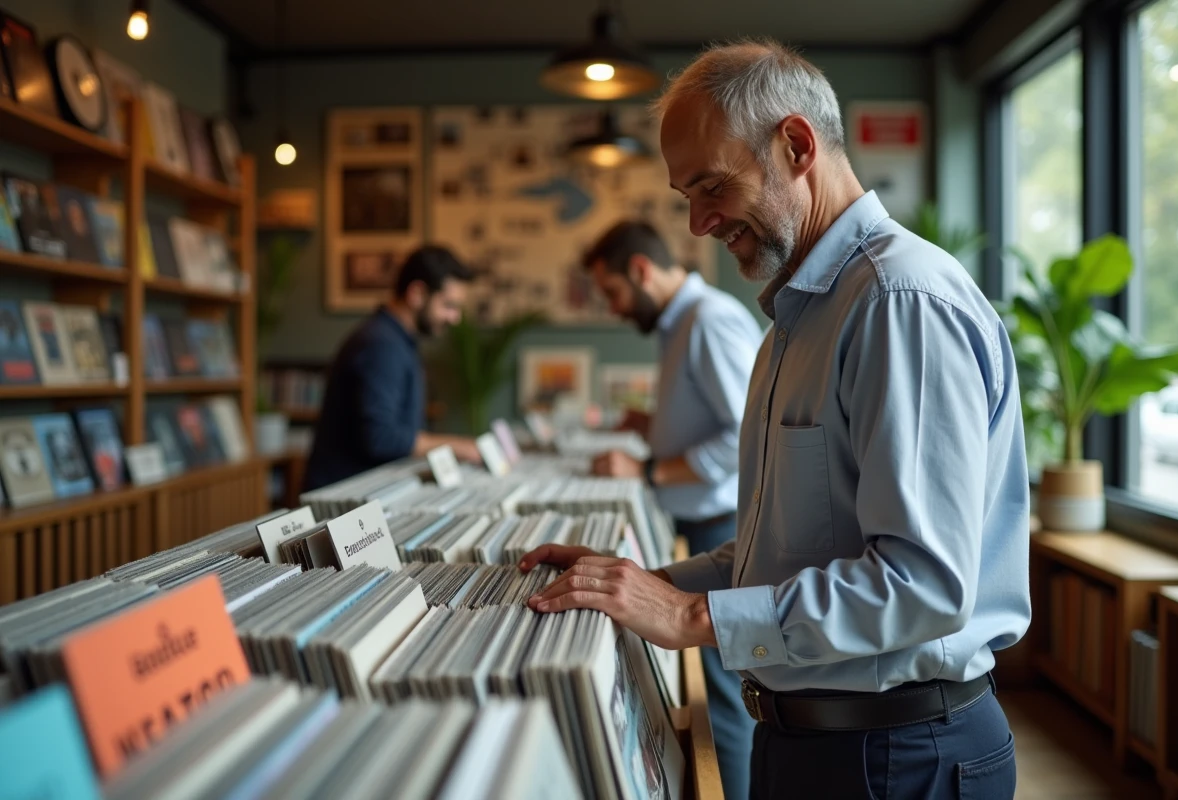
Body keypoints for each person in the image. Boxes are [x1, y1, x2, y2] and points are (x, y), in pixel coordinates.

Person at [520, 39, 1030, 799]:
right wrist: (636, 583)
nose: (698, 223)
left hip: (895, 755)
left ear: (796, 145)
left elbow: (921, 584)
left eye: (712, 186)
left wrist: (690, 614)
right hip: (819, 741)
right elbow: (787, 550)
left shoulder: (898, 303)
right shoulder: (800, 317)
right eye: (686, 196)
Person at [583, 220, 762, 800]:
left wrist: (648, 470)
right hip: (701, 523)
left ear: (640, 270)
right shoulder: (681, 323)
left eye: (612, 292)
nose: (613, 309)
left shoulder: (707, 321)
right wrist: (654, 426)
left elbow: (743, 436)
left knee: (722, 702)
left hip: (719, 526)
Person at [303, 245, 481, 491]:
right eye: (449, 305)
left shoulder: (395, 340)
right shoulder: (381, 345)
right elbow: (381, 438)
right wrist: (460, 448)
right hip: (348, 501)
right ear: (417, 294)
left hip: (365, 492)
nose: (455, 318)